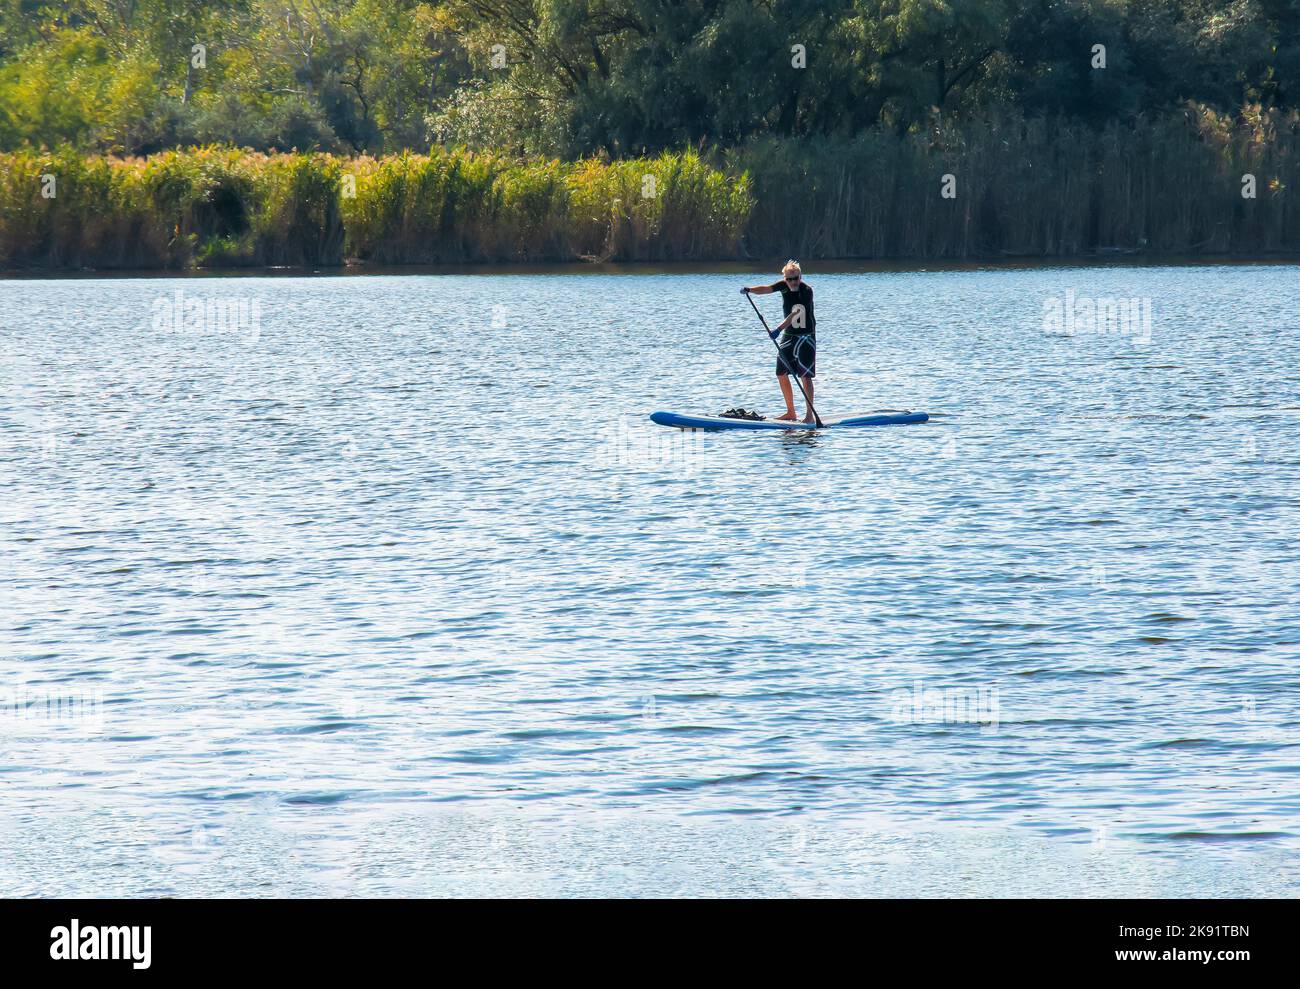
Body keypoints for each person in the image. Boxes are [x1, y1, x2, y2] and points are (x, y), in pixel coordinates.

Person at [741, 261, 816, 422]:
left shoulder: (806, 291)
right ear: (785, 278)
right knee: (781, 372)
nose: (792, 282)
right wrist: (750, 290)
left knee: (805, 376)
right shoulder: (783, 285)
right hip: (789, 336)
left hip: (806, 337)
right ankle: (791, 412)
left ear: (800, 277)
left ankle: (809, 416)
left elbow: (795, 313)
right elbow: (767, 289)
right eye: (789, 279)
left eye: (795, 278)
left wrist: (778, 329)